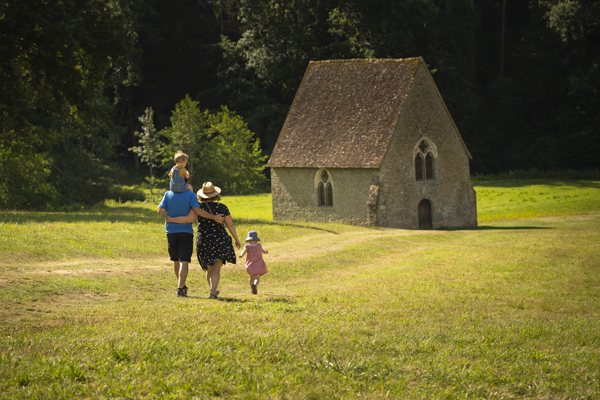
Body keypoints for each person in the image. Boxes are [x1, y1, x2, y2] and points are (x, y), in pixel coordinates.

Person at [166, 182, 240, 299]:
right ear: (215, 195)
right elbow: (230, 225)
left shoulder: (198, 208)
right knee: (216, 268)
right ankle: (212, 292)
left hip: (204, 240)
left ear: (201, 195)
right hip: (220, 239)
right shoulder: (222, 207)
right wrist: (236, 239)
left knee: (209, 268)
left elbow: (187, 219)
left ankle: (213, 291)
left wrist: (171, 219)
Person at [157, 179, 224, 297]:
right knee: (184, 260)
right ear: (186, 182)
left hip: (171, 232)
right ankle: (180, 288)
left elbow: (160, 211)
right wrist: (213, 217)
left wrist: (170, 215)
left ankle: (182, 286)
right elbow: (197, 212)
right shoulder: (190, 195)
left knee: (176, 260)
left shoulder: (168, 194)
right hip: (185, 231)